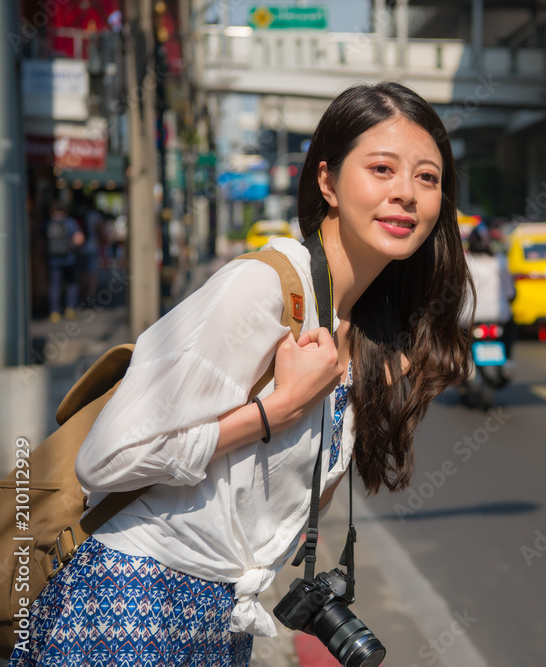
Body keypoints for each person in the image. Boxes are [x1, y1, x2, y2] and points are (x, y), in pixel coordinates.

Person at [11, 81, 472, 666]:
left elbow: (272, 507)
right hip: (132, 609)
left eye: (427, 178)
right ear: (327, 182)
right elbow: (107, 457)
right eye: (382, 169)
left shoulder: (360, 331)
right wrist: (274, 412)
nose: (405, 193)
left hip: (220, 621)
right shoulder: (263, 287)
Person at [460, 222, 517, 362]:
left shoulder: (462, 263)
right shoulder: (500, 262)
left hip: (467, 320)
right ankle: (508, 359)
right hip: (498, 317)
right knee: (513, 329)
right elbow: (511, 294)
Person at [44, 200, 84, 322]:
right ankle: (70, 308)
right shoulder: (69, 222)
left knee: (54, 285)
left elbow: (41, 241)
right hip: (68, 259)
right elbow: (79, 238)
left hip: (53, 260)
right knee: (71, 284)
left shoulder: (48, 223)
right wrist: (73, 246)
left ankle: (55, 311)